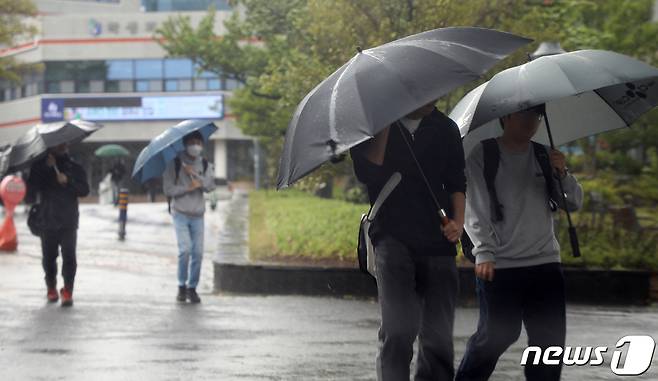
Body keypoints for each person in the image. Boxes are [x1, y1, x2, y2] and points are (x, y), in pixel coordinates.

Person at [456, 104, 583, 381]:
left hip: (545, 262)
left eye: (536, 116)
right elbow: (474, 207)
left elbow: (572, 202)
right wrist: (484, 251)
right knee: (495, 337)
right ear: (506, 117)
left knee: (549, 346)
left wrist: (562, 173)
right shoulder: (484, 154)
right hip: (500, 265)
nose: (531, 122)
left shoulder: (543, 155)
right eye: (524, 115)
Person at [350, 101, 466, 380]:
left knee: (438, 338)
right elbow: (369, 173)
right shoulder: (370, 130)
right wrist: (386, 123)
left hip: (438, 241)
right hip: (392, 239)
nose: (434, 97)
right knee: (398, 331)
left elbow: (456, 182)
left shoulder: (445, 128)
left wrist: (458, 223)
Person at [27, 143, 90, 307]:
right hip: (47, 219)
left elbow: (84, 190)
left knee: (69, 255)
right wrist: (46, 169)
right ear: (51, 147)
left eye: (65, 144)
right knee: (49, 257)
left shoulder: (74, 166)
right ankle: (51, 286)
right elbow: (31, 191)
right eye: (58, 145)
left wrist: (67, 180)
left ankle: (68, 290)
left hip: (69, 219)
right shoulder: (39, 167)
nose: (63, 147)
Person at [163, 131, 215, 304]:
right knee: (185, 250)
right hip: (180, 213)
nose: (195, 146)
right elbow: (168, 190)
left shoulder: (206, 164)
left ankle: (192, 288)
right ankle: (181, 286)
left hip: (198, 214)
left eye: (198, 142)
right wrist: (188, 188)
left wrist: (194, 174)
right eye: (192, 142)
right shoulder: (174, 164)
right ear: (185, 145)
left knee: (198, 253)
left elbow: (210, 186)